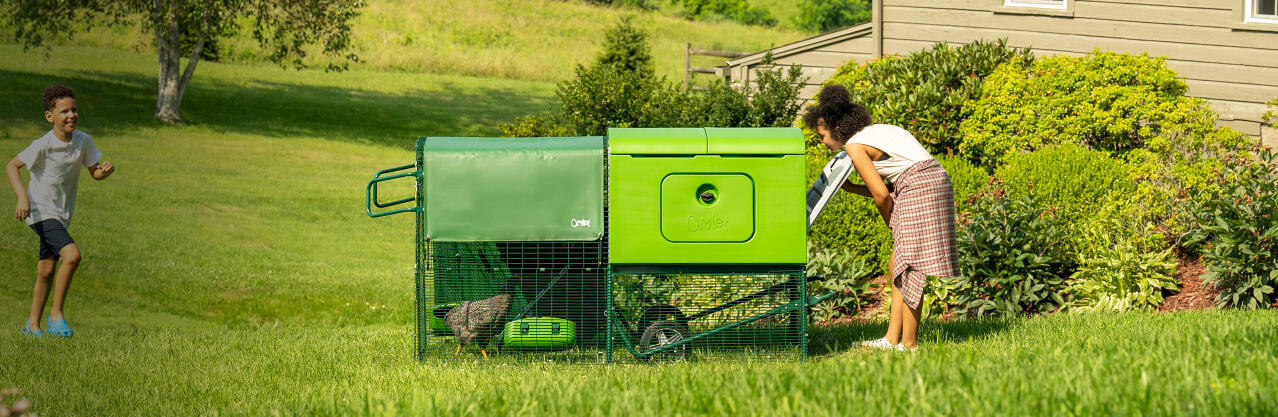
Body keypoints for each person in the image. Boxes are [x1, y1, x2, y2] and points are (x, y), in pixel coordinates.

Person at [803, 84, 959, 351]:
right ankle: (890, 339)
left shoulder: (854, 146)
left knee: (908, 267)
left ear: (836, 129)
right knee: (896, 263)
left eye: (822, 136)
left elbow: (882, 196)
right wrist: (851, 188)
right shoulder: (875, 132)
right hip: (929, 181)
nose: (823, 142)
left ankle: (909, 346)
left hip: (920, 188)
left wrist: (892, 222)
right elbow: (888, 186)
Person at [6, 84, 115, 338]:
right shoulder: (43, 144)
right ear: (50, 117)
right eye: (64, 111)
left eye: (74, 110)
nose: (71, 115)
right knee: (72, 255)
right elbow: (12, 165)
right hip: (39, 211)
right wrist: (22, 197)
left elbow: (94, 172)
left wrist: (104, 173)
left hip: (60, 214)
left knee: (45, 271)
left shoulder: (83, 140)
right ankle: (56, 316)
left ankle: (31, 326)